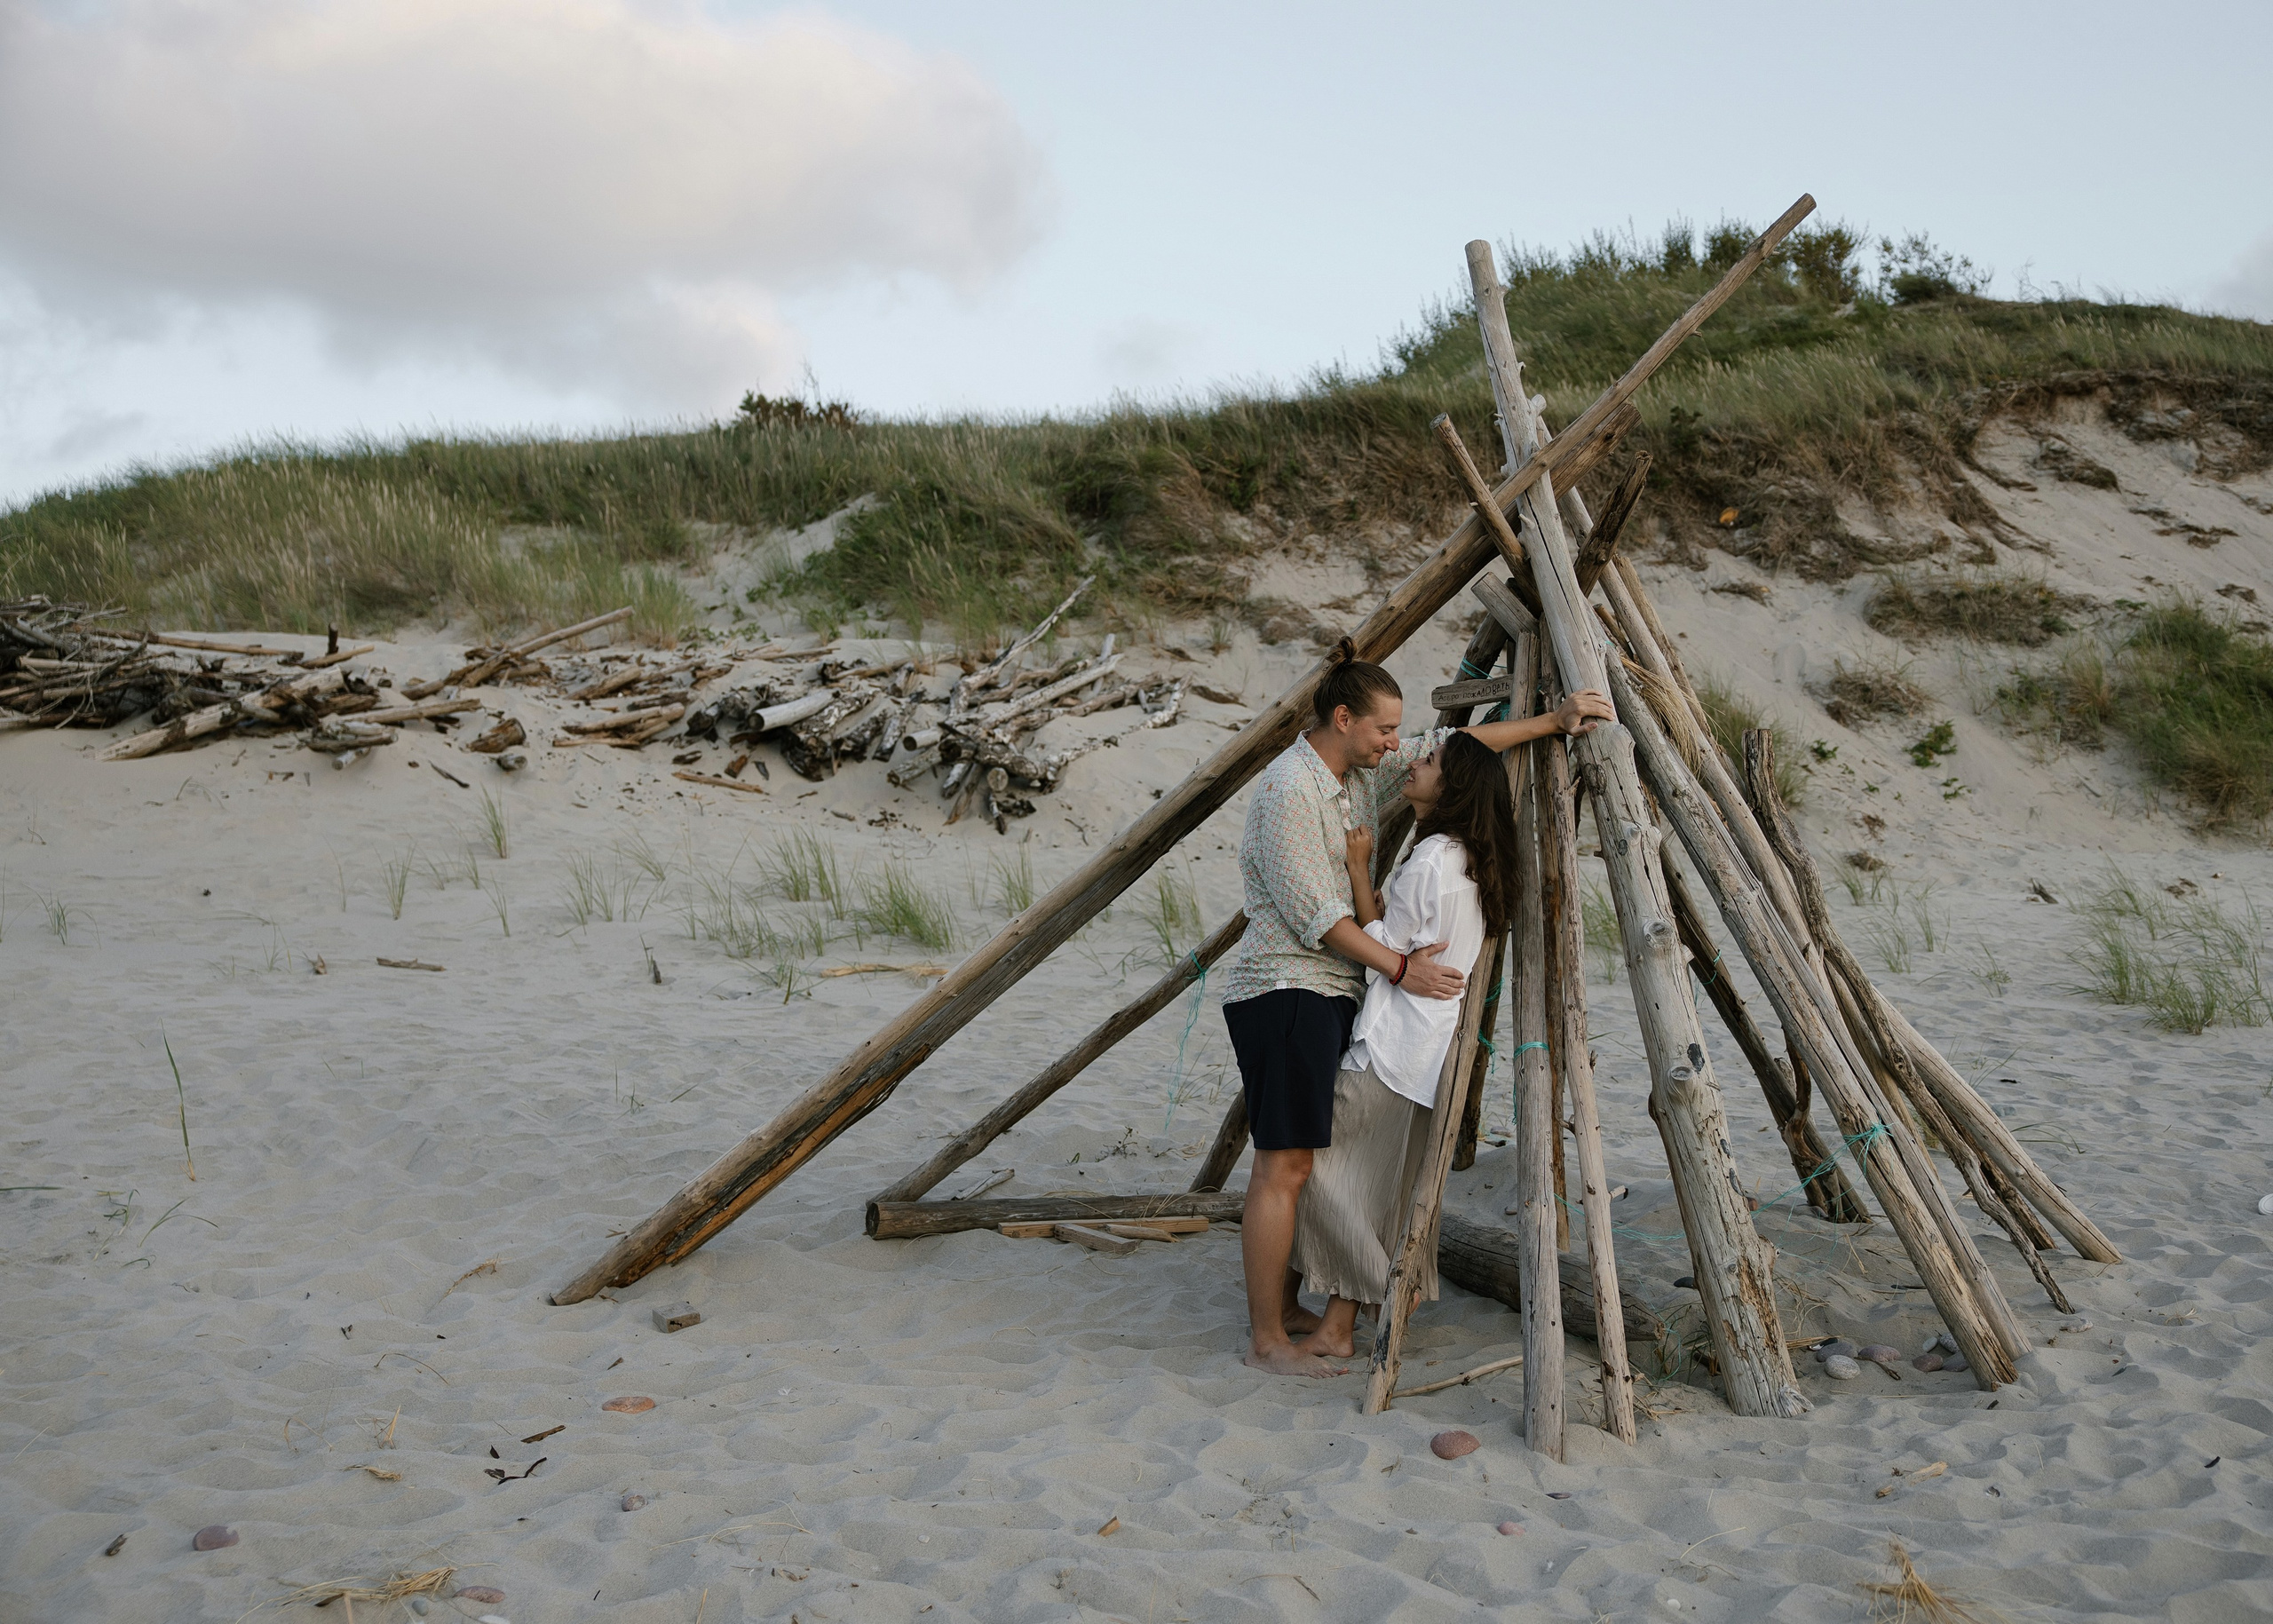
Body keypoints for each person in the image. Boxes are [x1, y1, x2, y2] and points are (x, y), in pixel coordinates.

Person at [1222, 637, 1612, 1376]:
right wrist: (1401, 966)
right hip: (1286, 987)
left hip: (1335, 994)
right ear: (1343, 719)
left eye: (1400, 735)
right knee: (1287, 1165)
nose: (1398, 745)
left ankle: (1298, 1312)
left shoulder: (1357, 773)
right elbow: (1320, 920)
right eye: (1384, 731)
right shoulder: (1290, 792)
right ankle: (1267, 1336)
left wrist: (1554, 720)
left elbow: (1460, 746)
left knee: (1304, 1161)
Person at [1287, 729, 1519, 1360]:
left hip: (1390, 1047)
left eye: (1430, 760)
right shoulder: (1469, 861)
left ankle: (1362, 1308)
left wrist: (1360, 869)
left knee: (1323, 1177)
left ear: (1453, 786)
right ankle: (1374, 1299)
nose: (1414, 763)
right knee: (1376, 1187)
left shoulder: (1433, 862)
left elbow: (1378, 947)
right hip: (1427, 1053)